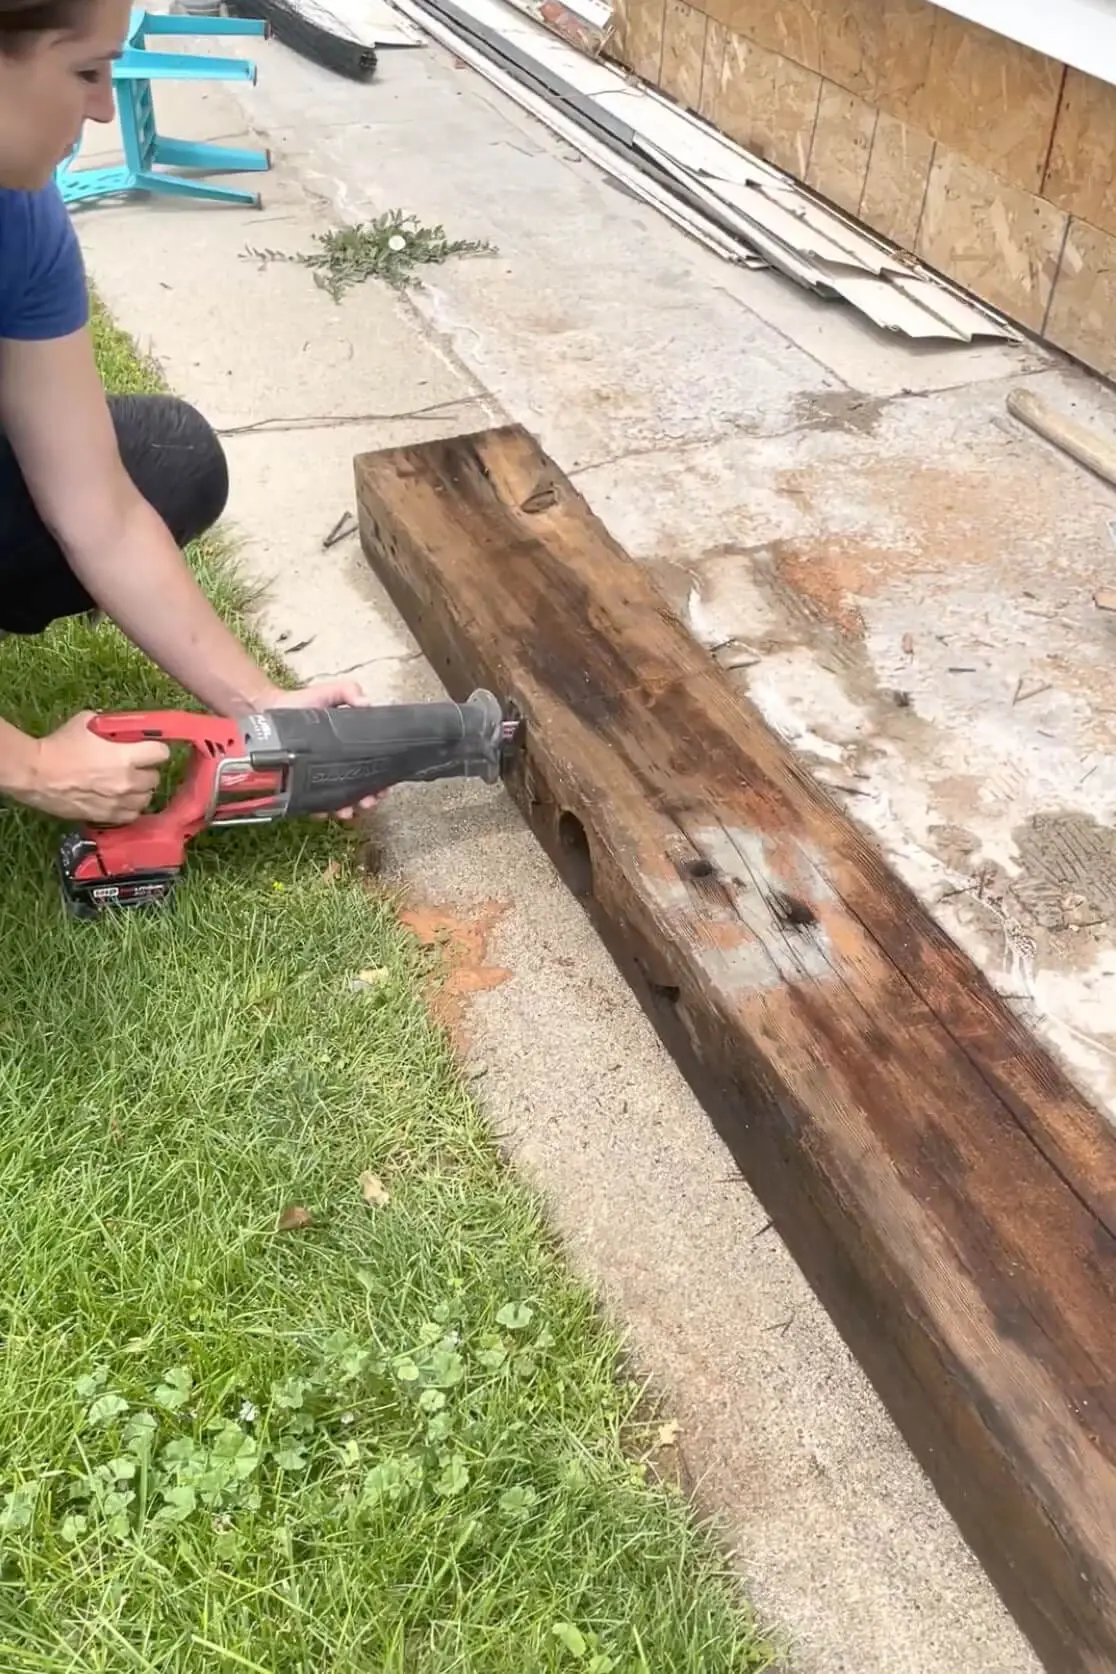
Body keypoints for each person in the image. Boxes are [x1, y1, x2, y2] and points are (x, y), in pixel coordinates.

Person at [0, 0, 372, 830]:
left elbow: (97, 506)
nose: (105, 108)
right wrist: (32, 765)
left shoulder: (21, 218)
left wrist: (262, 707)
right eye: (85, 71)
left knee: (172, 462)